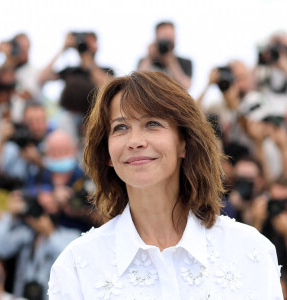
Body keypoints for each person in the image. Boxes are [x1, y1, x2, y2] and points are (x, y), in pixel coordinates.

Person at [48, 71, 283, 299]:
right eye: (120, 127)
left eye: (152, 124)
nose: (135, 141)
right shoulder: (76, 267)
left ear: (184, 143)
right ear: (107, 153)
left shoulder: (250, 250)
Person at [138, 21, 192, 90]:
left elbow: (186, 86)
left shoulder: (185, 62)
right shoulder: (145, 61)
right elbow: (137, 83)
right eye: (164, 36)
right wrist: (149, 58)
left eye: (170, 37)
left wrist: (170, 61)